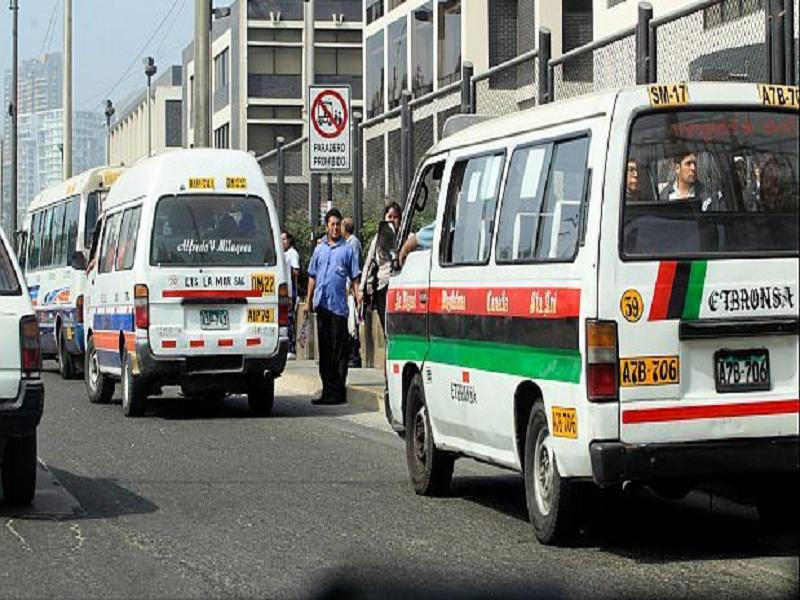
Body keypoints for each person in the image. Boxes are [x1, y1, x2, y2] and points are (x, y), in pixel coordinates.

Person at [306, 208, 362, 405]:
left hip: (338, 309)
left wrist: (358, 295)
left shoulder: (347, 249)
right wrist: (308, 301)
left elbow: (355, 276)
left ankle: (338, 392)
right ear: (327, 226)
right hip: (322, 306)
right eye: (332, 224)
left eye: (338, 224)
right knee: (326, 351)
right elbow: (312, 276)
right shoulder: (319, 249)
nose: (335, 228)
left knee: (339, 352)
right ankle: (327, 390)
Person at [362, 202, 401, 334]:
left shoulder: (404, 237)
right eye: (389, 216)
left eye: (395, 217)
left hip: (400, 287)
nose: (392, 220)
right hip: (382, 288)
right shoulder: (377, 239)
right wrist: (362, 289)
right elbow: (368, 263)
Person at [341, 216, 363, 368]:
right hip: (347, 289)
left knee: (352, 324)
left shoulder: (353, 243)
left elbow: (354, 269)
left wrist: (353, 290)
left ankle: (355, 356)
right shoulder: (346, 244)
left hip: (351, 290)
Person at [281, 231, 301, 358]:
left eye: (284, 239)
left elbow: (296, 271)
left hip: (290, 289)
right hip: (284, 288)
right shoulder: (282, 253)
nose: (282, 242)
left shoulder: (292, 253)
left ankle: (291, 347)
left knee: (289, 319)